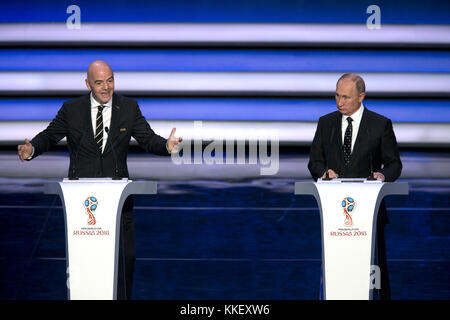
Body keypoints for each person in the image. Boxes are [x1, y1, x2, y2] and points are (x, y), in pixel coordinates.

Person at [17, 60, 182, 300]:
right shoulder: (71, 110)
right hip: (81, 205)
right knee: (86, 263)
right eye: (99, 82)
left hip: (118, 204)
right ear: (87, 84)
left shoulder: (128, 108)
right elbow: (49, 136)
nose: (106, 87)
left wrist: (166, 146)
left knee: (123, 263)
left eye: (110, 80)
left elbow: (148, 139)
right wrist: (31, 151)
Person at [308, 73, 402, 299]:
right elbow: (314, 161)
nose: (340, 102)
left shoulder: (380, 125)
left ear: (361, 97)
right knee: (336, 268)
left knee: (374, 267)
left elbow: (394, 164)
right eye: (337, 96)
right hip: (334, 212)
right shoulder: (326, 123)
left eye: (346, 97)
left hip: (369, 212)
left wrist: (382, 175)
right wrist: (323, 172)